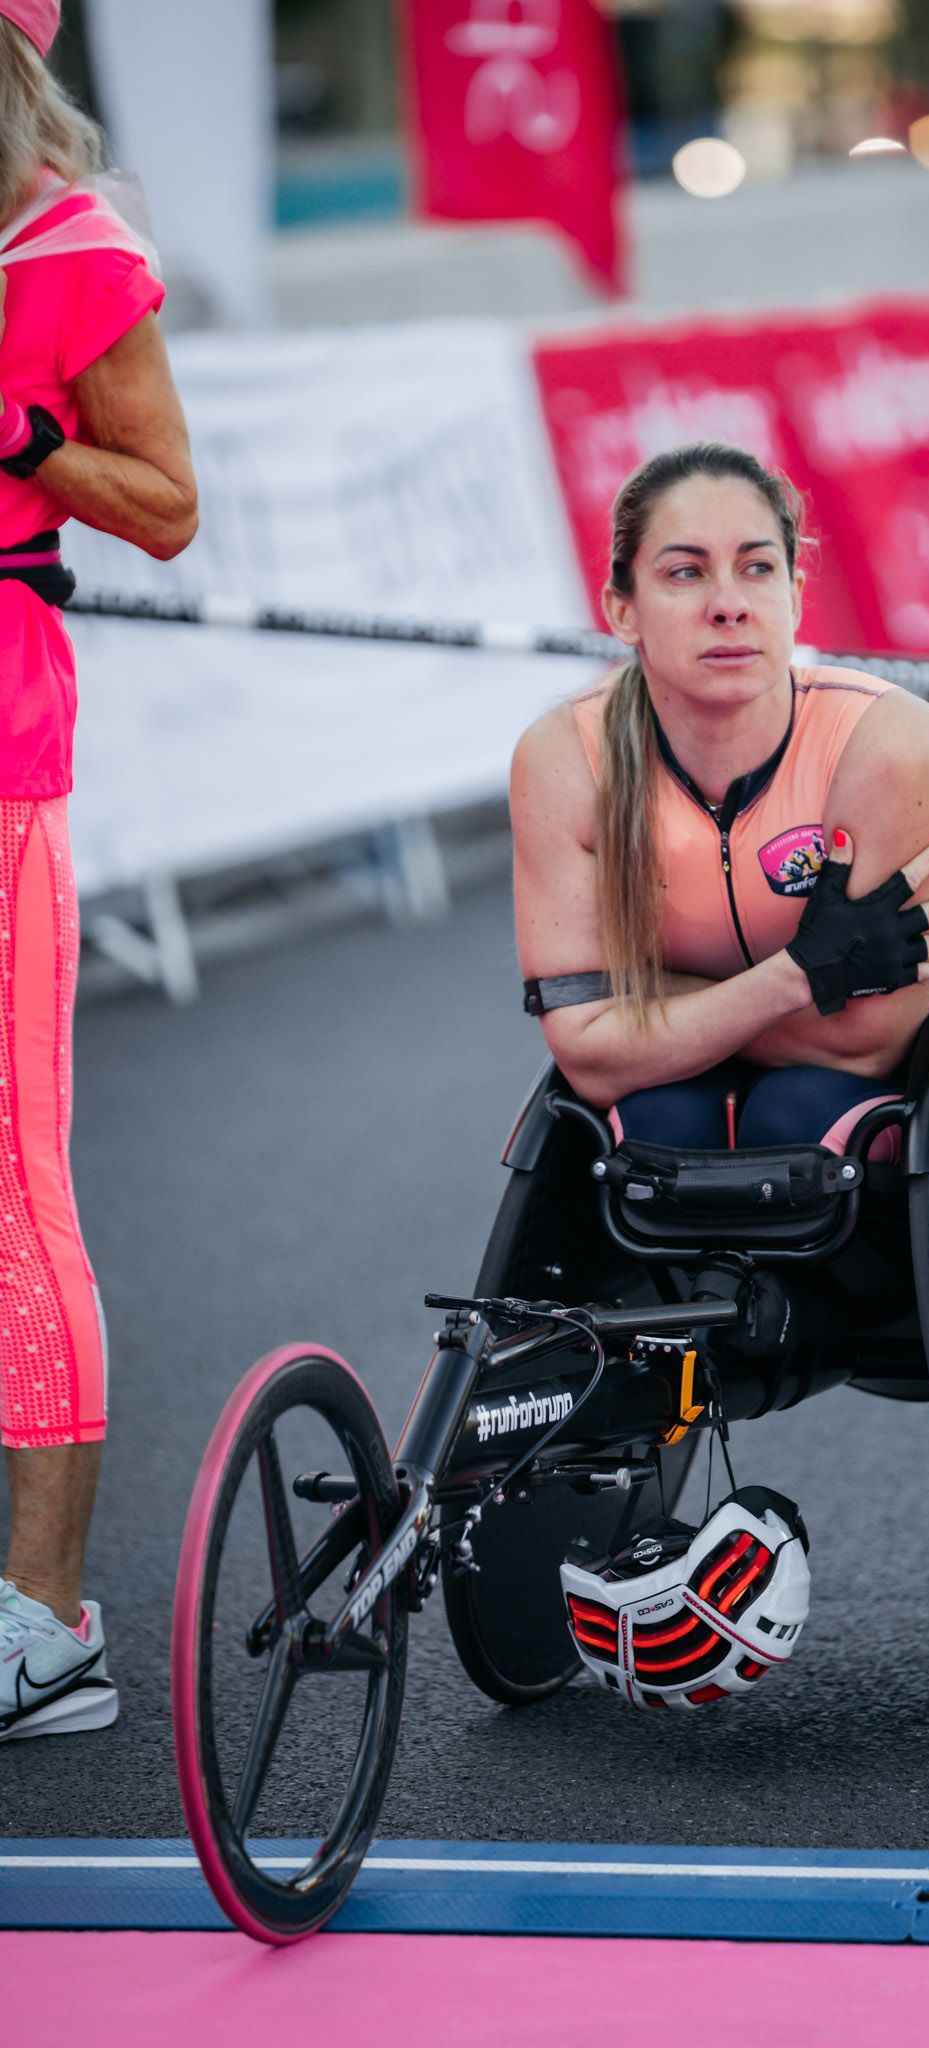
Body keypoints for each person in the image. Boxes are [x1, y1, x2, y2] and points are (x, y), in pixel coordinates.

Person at [0, 0, 197, 1741]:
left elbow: (164, 499)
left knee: (14, 1179)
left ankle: (45, 1623)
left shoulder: (64, 244)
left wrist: (12, 447)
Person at [512, 440, 929, 1159]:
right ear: (622, 610)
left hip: (884, 1081)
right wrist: (798, 975)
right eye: (685, 573)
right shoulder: (566, 761)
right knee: (656, 1128)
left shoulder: (891, 749)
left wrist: (651, 1002)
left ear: (793, 596)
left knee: (795, 1119)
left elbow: (862, 1045)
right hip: (695, 1076)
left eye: (756, 568)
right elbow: (588, 1059)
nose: (728, 605)